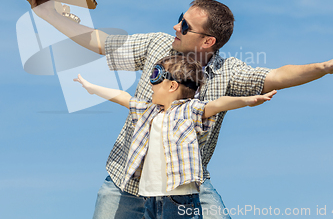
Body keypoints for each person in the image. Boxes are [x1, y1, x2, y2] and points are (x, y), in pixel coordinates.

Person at [19, 0, 333, 219]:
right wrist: (43, 11)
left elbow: (277, 76)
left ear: (208, 40)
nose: (175, 26)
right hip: (126, 182)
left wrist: (326, 68)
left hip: (186, 188)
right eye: (179, 18)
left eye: (184, 25)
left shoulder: (228, 72)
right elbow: (98, 41)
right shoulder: (156, 45)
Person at [74, 55, 277, 219]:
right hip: (148, 198)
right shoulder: (148, 111)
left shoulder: (190, 111)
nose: (150, 83)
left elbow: (217, 104)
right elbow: (122, 97)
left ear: (172, 86)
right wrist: (91, 88)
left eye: (156, 77)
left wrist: (246, 100)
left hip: (180, 200)